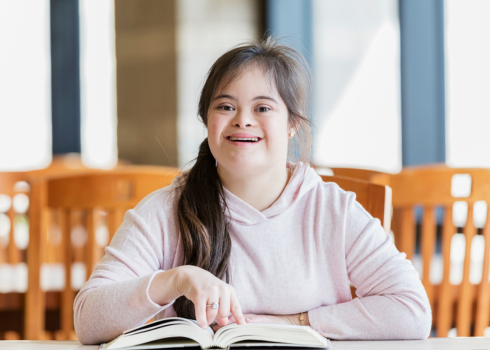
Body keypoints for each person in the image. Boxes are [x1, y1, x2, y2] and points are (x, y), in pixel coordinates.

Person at [74, 37, 431, 345]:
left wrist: (295, 324)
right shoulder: (166, 209)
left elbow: (411, 310)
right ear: (206, 121)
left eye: (262, 108)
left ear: (292, 124)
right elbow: (87, 320)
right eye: (226, 106)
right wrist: (175, 280)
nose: (242, 120)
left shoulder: (332, 209)